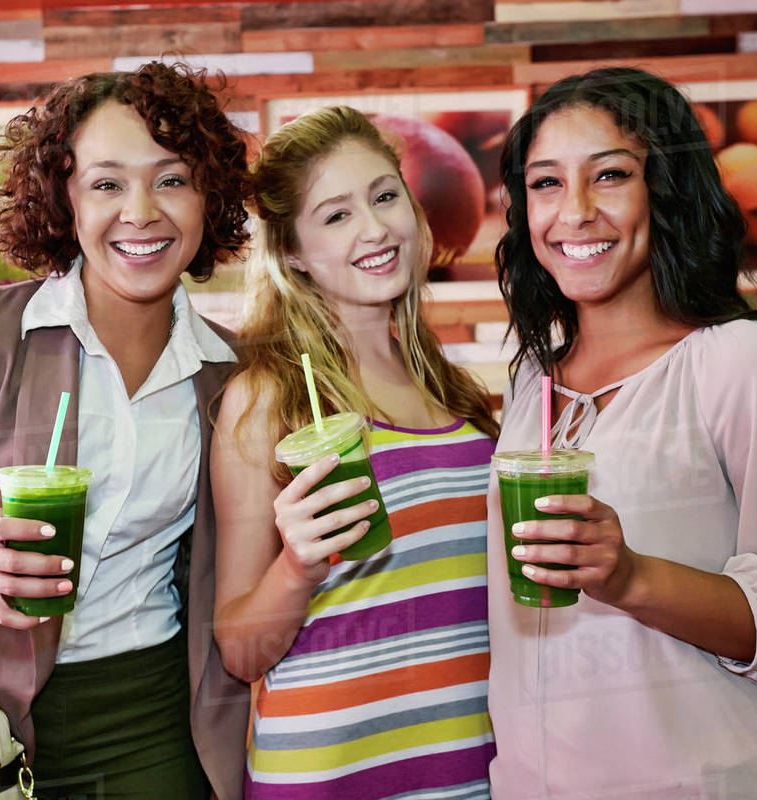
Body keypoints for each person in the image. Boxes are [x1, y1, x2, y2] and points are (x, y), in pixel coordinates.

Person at [0, 62, 253, 799]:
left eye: (172, 179)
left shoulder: (232, 372)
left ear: (209, 197)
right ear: (62, 199)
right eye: (106, 183)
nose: (142, 212)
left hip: (157, 722)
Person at [487, 66, 757, 798]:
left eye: (609, 176)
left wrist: (629, 576)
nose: (574, 212)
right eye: (545, 183)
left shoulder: (743, 363)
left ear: (665, 192)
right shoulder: (533, 382)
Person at [211, 106, 501, 799]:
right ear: (292, 254)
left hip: (474, 772)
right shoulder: (266, 402)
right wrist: (297, 566)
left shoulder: (458, 396)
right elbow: (241, 650)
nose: (374, 229)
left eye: (383, 196)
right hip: (328, 776)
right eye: (335, 216)